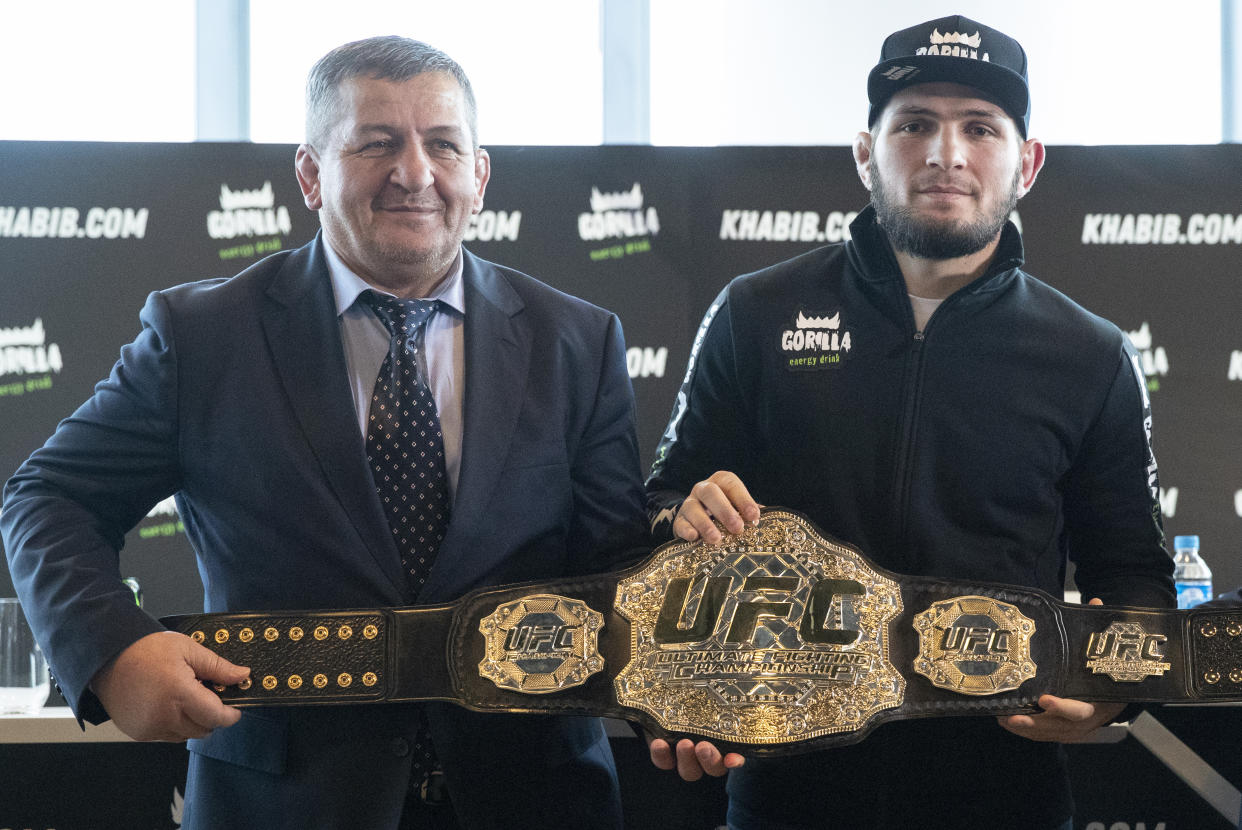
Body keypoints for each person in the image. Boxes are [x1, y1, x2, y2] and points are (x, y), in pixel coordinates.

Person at [1, 36, 647, 830]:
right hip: (281, 803)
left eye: (443, 144)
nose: (415, 171)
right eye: (377, 143)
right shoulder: (202, 336)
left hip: (537, 800)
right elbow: (48, 495)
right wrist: (111, 651)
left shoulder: (577, 341)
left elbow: (621, 567)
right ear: (310, 174)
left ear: (478, 175)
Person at [643, 15, 1174, 830]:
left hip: (1006, 795)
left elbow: (1135, 577)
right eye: (915, 123)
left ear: (1026, 163)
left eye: (980, 128)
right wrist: (677, 521)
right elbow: (659, 513)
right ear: (866, 153)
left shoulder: (1091, 354)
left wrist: (1114, 694)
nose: (945, 154)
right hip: (786, 792)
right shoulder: (755, 312)